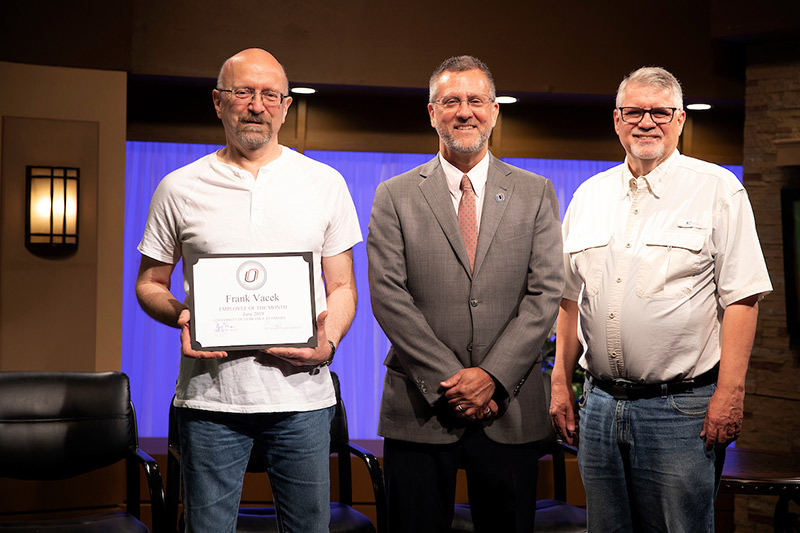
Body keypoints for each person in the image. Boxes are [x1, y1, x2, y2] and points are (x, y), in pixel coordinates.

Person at [135, 48, 361, 533]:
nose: (256, 105)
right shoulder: (179, 186)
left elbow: (342, 287)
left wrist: (330, 342)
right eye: (243, 92)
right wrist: (181, 314)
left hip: (303, 401)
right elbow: (150, 284)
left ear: (285, 106)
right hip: (209, 401)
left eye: (269, 94)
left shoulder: (325, 183)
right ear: (218, 102)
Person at [550, 66, 772, 532]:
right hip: (599, 406)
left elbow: (742, 299)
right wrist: (559, 384)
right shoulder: (589, 195)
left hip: (680, 411)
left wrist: (730, 394)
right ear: (616, 119)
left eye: (660, 112)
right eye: (634, 111)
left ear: (680, 119)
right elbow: (568, 299)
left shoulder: (718, 189)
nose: (646, 122)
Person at [367, 55, 564, 533]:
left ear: (494, 111)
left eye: (476, 100)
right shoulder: (394, 195)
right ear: (432, 112)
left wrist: (492, 378)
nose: (464, 111)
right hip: (421, 405)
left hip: (509, 406)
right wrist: (454, 381)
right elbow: (388, 296)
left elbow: (544, 295)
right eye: (451, 101)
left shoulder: (536, 192)